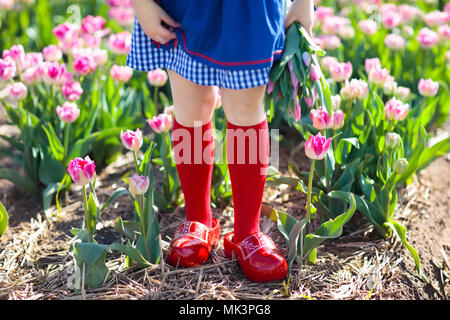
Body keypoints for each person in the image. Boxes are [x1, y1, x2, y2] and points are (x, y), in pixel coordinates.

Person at [127, 0, 315, 283]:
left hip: (249, 9)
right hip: (183, 8)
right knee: (190, 106)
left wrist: (303, 4)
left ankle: (246, 232)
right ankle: (198, 219)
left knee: (247, 111)